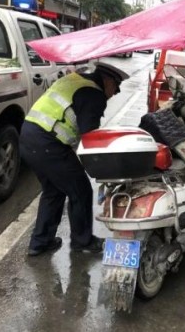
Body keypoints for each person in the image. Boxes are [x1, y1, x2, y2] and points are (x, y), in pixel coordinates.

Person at [20, 62, 129, 256]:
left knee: (54, 191)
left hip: (29, 136)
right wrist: (105, 169)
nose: (116, 93)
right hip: (48, 144)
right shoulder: (93, 94)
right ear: (106, 81)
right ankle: (83, 241)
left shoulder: (74, 79)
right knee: (81, 190)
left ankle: (40, 243)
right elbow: (90, 138)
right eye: (116, 87)